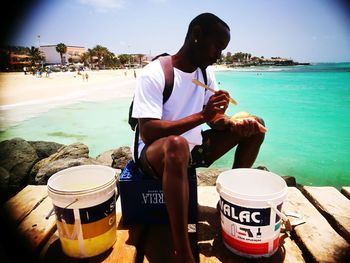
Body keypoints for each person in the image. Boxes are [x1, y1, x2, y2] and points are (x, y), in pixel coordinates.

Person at [131, 13, 265, 263]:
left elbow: (213, 121)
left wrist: (230, 122)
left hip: (192, 151)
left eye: (223, 50)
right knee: (176, 145)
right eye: (217, 46)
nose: (218, 55)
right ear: (196, 35)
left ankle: (229, 205)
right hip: (154, 157)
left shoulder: (205, 74)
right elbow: (148, 132)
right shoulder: (156, 73)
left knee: (257, 125)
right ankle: (183, 252)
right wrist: (204, 116)